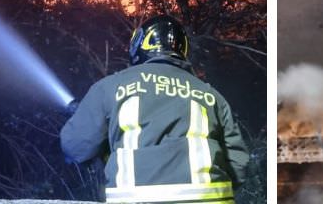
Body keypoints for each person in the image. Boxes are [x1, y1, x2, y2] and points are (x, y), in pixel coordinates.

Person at [61, 15, 250, 204]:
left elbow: (76, 146)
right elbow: (239, 164)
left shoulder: (110, 88)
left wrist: (107, 143)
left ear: (139, 45)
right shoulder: (211, 96)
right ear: (182, 48)